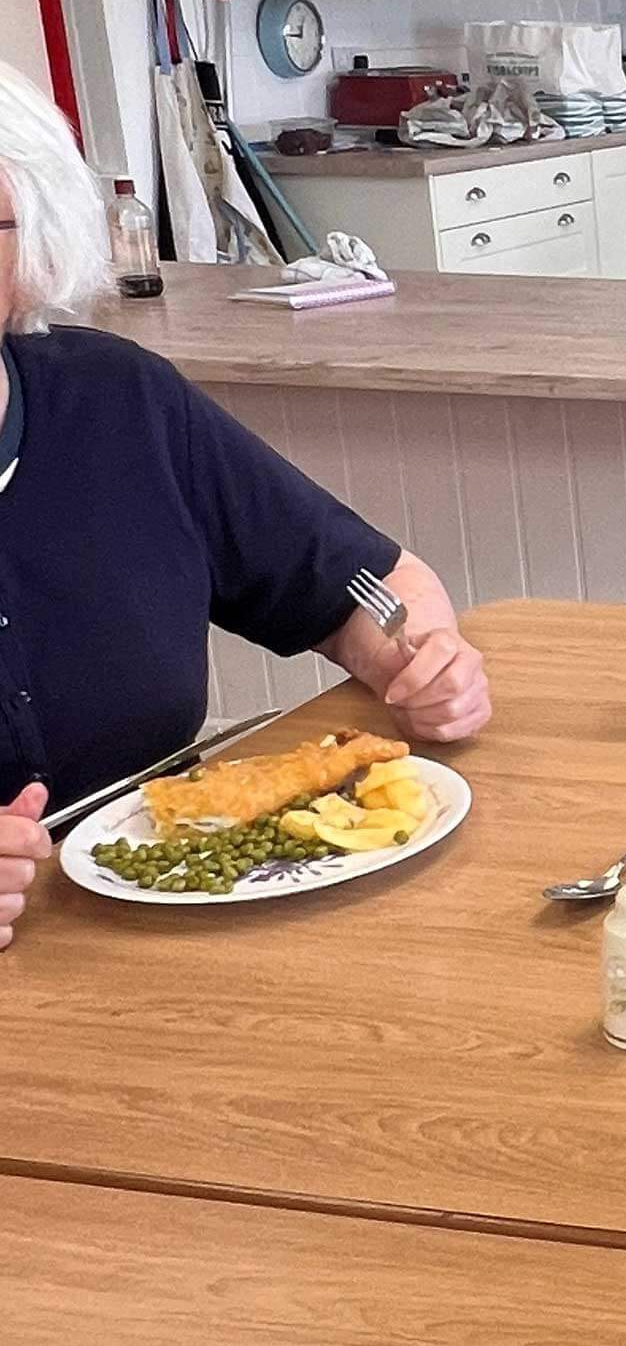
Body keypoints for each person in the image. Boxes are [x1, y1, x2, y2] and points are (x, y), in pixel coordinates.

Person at [0, 64, 490, 950]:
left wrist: (424, 666)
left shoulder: (120, 403)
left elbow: (366, 588)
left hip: (181, 917)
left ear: (31, 233)